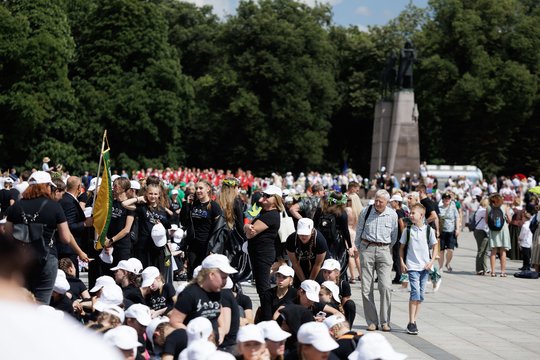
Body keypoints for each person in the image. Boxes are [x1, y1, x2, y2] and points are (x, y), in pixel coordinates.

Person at [5, 171, 89, 304]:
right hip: (47, 257)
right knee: (42, 301)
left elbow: (8, 234)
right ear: (45, 186)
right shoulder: (54, 207)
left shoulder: (16, 206)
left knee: (22, 299)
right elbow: (66, 238)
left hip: (23, 259)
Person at [354, 189, 398, 332]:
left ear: (387, 202)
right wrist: (360, 248)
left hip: (384, 250)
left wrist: (385, 248)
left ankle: (385, 321)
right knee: (366, 288)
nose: (377, 203)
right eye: (376, 200)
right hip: (367, 249)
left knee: (385, 286)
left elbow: (394, 236)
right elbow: (359, 230)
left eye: (381, 201)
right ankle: (372, 321)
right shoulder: (366, 211)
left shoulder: (392, 215)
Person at [169, 254, 237, 341]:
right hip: (193, 346)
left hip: (212, 345)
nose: (225, 282)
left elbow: (220, 317)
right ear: (211, 275)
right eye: (224, 278)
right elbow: (175, 322)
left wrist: (221, 331)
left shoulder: (216, 292)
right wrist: (196, 336)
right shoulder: (189, 294)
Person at [399, 203, 437, 335]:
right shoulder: (408, 230)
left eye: (413, 213)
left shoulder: (429, 231)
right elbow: (401, 248)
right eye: (410, 213)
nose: (410, 215)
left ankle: (414, 321)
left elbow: (435, 246)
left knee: (420, 295)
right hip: (412, 267)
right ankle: (411, 322)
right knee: (415, 292)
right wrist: (402, 262)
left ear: (421, 215)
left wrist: (431, 262)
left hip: (425, 267)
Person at [244, 185, 283, 302]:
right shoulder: (260, 208)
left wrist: (247, 228)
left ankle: (267, 314)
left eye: (267, 196)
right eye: (263, 195)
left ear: (275, 199)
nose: (263, 198)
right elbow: (246, 220)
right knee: (261, 287)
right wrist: (246, 226)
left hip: (263, 253)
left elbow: (250, 233)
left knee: (263, 288)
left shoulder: (271, 214)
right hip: (256, 252)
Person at [122, 182, 171, 275]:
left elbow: (167, 228)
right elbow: (124, 204)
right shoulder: (142, 207)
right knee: (144, 272)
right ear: (146, 194)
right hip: (143, 246)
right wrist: (138, 199)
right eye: (150, 193)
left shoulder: (162, 210)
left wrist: (168, 243)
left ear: (159, 195)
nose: (153, 196)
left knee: (158, 273)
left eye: (155, 194)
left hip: (158, 247)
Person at [180, 180, 222, 279]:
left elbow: (218, 229)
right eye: (196, 188)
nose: (198, 191)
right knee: (192, 273)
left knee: (205, 274)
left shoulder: (214, 206)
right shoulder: (193, 204)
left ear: (208, 189)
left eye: (201, 188)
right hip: (193, 244)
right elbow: (184, 222)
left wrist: (213, 248)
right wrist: (186, 204)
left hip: (206, 245)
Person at [58, 176, 93, 278]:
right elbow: (68, 226)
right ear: (79, 187)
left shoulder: (67, 199)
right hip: (69, 248)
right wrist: (85, 223)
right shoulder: (69, 202)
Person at [313, 191, 354, 280]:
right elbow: (345, 231)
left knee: (321, 264)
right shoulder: (342, 213)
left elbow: (314, 226)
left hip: (320, 241)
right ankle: (336, 283)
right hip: (336, 244)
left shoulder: (321, 210)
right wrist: (350, 246)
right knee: (336, 264)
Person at [104, 177, 135, 272]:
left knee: (122, 273)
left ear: (122, 188)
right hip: (108, 244)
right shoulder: (111, 203)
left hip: (122, 245)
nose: (113, 187)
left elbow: (126, 229)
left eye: (115, 185)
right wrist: (105, 238)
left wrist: (112, 240)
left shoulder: (130, 206)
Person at [286, 218, 328, 288]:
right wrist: (304, 282)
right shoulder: (291, 240)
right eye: (301, 234)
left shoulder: (320, 241)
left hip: (317, 266)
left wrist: (310, 282)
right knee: (299, 287)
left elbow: (318, 264)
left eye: (306, 234)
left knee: (315, 287)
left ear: (312, 231)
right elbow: (295, 263)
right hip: (300, 264)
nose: (303, 236)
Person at [320, 258, 356, 326]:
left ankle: (347, 327)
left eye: (329, 272)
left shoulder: (343, 284)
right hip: (326, 309)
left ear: (337, 273)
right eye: (324, 272)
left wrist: (340, 311)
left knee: (350, 304)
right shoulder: (321, 284)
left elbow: (346, 299)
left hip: (340, 308)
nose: (326, 274)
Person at [487, 194, 512, 277]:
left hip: (493, 231)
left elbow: (486, 221)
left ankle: (493, 272)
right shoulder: (505, 207)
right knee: (503, 251)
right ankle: (502, 272)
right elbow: (509, 219)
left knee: (493, 251)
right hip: (503, 230)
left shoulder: (489, 207)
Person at [438, 193, 460, 272]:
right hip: (442, 232)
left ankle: (447, 263)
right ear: (443, 200)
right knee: (441, 251)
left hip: (451, 231)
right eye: (445, 198)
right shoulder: (439, 208)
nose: (447, 200)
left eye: (448, 198)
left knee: (450, 250)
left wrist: (457, 229)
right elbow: (436, 220)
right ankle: (440, 267)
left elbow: (457, 218)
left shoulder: (453, 207)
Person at [473, 198, 490, 275]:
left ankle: (484, 268)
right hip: (481, 231)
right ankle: (479, 269)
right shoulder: (482, 211)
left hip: (483, 231)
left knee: (485, 251)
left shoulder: (481, 210)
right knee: (481, 250)